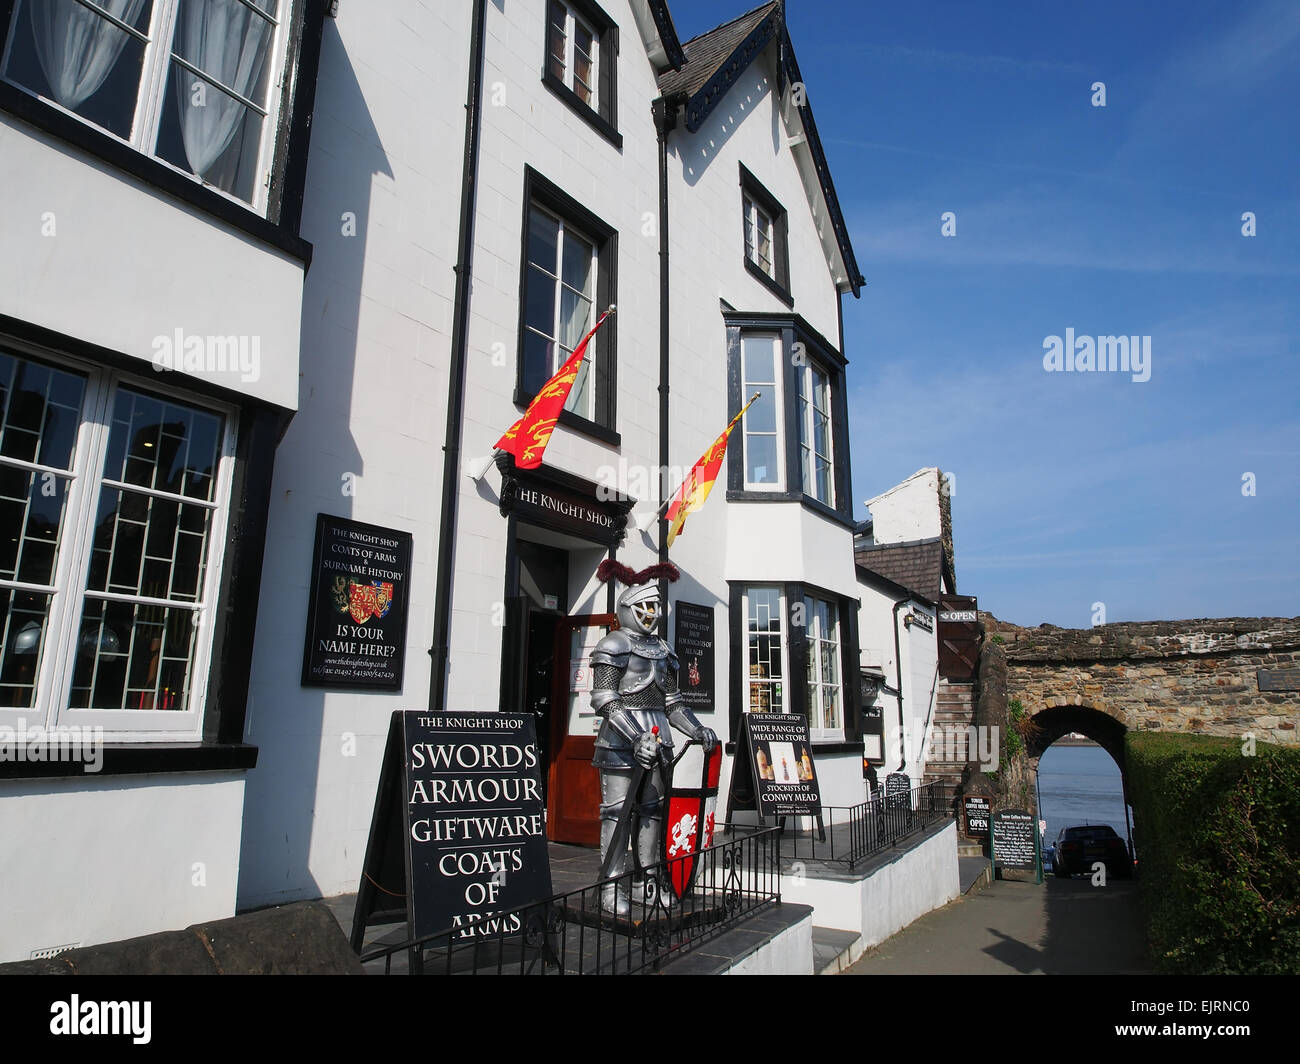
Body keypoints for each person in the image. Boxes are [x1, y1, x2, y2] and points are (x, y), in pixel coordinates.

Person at [590, 561, 717, 915]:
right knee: (617, 813)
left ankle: (646, 880)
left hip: (658, 741)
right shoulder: (613, 643)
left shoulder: (663, 649)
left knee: (651, 812)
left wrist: (697, 729)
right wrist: (634, 737)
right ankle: (611, 886)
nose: (649, 613)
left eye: (654, 607)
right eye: (643, 607)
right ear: (627, 609)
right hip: (619, 740)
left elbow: (673, 703)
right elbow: (604, 698)